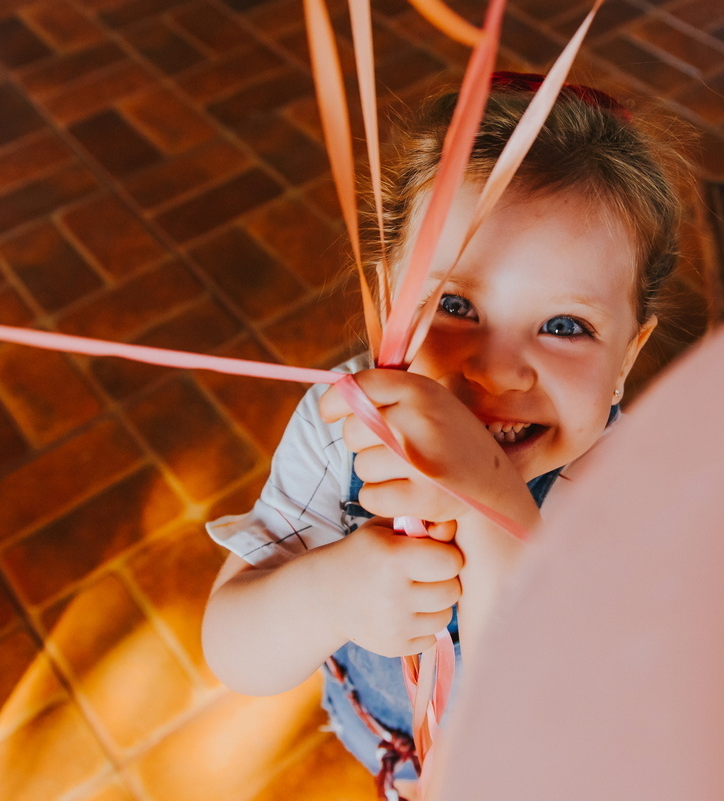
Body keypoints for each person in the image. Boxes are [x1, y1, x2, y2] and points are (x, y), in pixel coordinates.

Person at [201, 72, 691, 800]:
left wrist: (487, 495)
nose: (496, 372)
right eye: (456, 303)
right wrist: (332, 590)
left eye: (564, 326)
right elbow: (232, 649)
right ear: (383, 300)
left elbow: (546, 716)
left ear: (626, 358)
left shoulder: (631, 485)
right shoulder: (346, 426)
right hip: (394, 744)